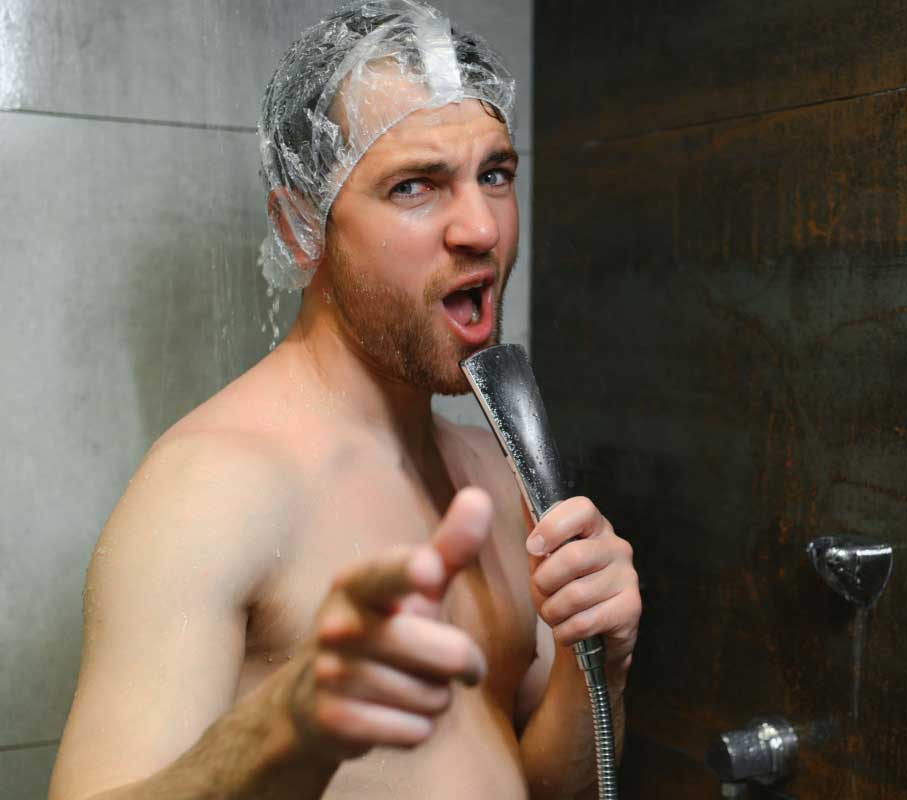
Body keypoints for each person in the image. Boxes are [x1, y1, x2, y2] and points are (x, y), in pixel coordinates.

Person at [48, 2, 641, 798]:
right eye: (415, 186)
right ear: (302, 229)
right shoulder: (213, 488)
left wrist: (593, 662)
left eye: (494, 174)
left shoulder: (493, 476)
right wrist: (282, 727)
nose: (480, 228)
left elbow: (545, 787)